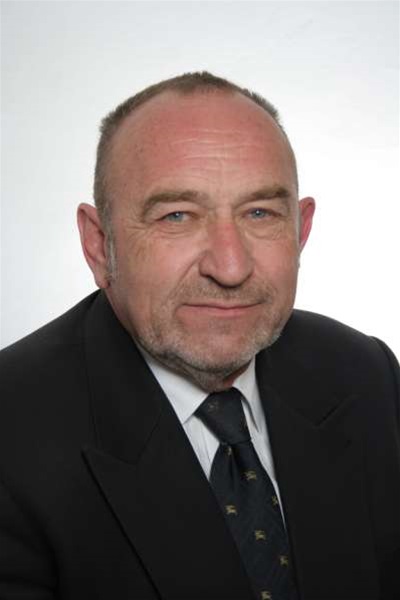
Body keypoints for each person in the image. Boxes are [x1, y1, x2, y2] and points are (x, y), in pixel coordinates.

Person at [0, 71, 399, 600]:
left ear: (301, 231)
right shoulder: (11, 431)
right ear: (99, 245)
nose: (230, 267)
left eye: (260, 212)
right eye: (177, 216)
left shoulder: (366, 374)